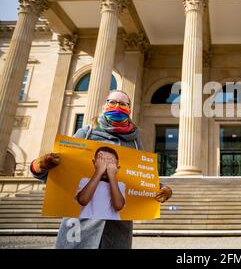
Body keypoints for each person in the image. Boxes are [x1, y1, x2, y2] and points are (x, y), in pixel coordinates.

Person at [31, 90, 173, 249]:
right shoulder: (86, 133)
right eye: (112, 102)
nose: (117, 107)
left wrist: (160, 189)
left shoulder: (135, 142)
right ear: (105, 106)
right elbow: (62, 172)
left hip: (116, 230)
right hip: (79, 227)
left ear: (129, 110)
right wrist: (39, 166)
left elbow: (138, 178)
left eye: (123, 104)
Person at [76, 146, 126, 220]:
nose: (105, 168)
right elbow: (83, 200)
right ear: (94, 163)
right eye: (102, 163)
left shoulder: (119, 185)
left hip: (111, 226)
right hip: (87, 224)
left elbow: (118, 206)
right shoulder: (85, 181)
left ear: (117, 168)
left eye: (110, 165)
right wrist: (99, 171)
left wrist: (112, 175)